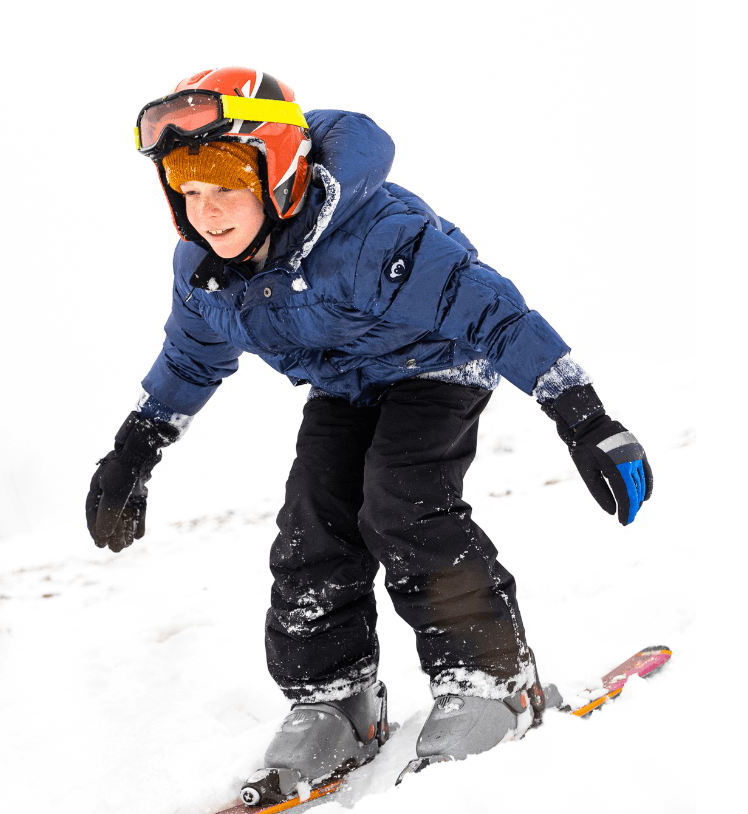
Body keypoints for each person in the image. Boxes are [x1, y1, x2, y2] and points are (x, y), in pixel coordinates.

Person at [85, 67, 652, 801]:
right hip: (345, 385)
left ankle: (492, 682)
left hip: (438, 367)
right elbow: (189, 360)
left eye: (225, 185)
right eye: (187, 192)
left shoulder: (373, 236)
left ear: (277, 171)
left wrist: (587, 420)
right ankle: (336, 700)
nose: (207, 211)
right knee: (312, 521)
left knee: (401, 503)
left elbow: (496, 316)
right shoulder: (204, 272)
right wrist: (133, 452)